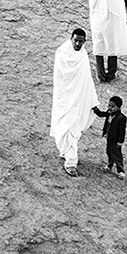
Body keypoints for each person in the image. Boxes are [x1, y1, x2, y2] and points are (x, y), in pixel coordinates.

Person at [51, 28, 97, 176]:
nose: (77, 44)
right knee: (65, 126)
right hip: (65, 98)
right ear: (71, 39)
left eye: (81, 42)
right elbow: (61, 78)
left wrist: (93, 101)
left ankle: (70, 161)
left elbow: (87, 79)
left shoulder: (83, 55)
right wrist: (69, 94)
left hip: (78, 100)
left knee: (73, 129)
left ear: (84, 42)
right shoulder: (62, 53)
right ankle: (68, 155)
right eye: (75, 40)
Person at [87, 0, 127, 82]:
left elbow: (92, 4)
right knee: (112, 46)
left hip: (96, 21)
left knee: (98, 46)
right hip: (109, 21)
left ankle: (100, 74)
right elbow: (119, 5)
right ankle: (111, 73)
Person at [90, 95, 127, 178]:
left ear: (119, 107)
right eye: (109, 105)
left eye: (113, 106)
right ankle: (109, 166)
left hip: (116, 140)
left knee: (117, 155)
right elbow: (101, 114)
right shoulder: (109, 113)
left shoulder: (122, 118)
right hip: (109, 138)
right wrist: (95, 108)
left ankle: (121, 171)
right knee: (109, 152)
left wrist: (120, 141)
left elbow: (122, 131)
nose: (110, 108)